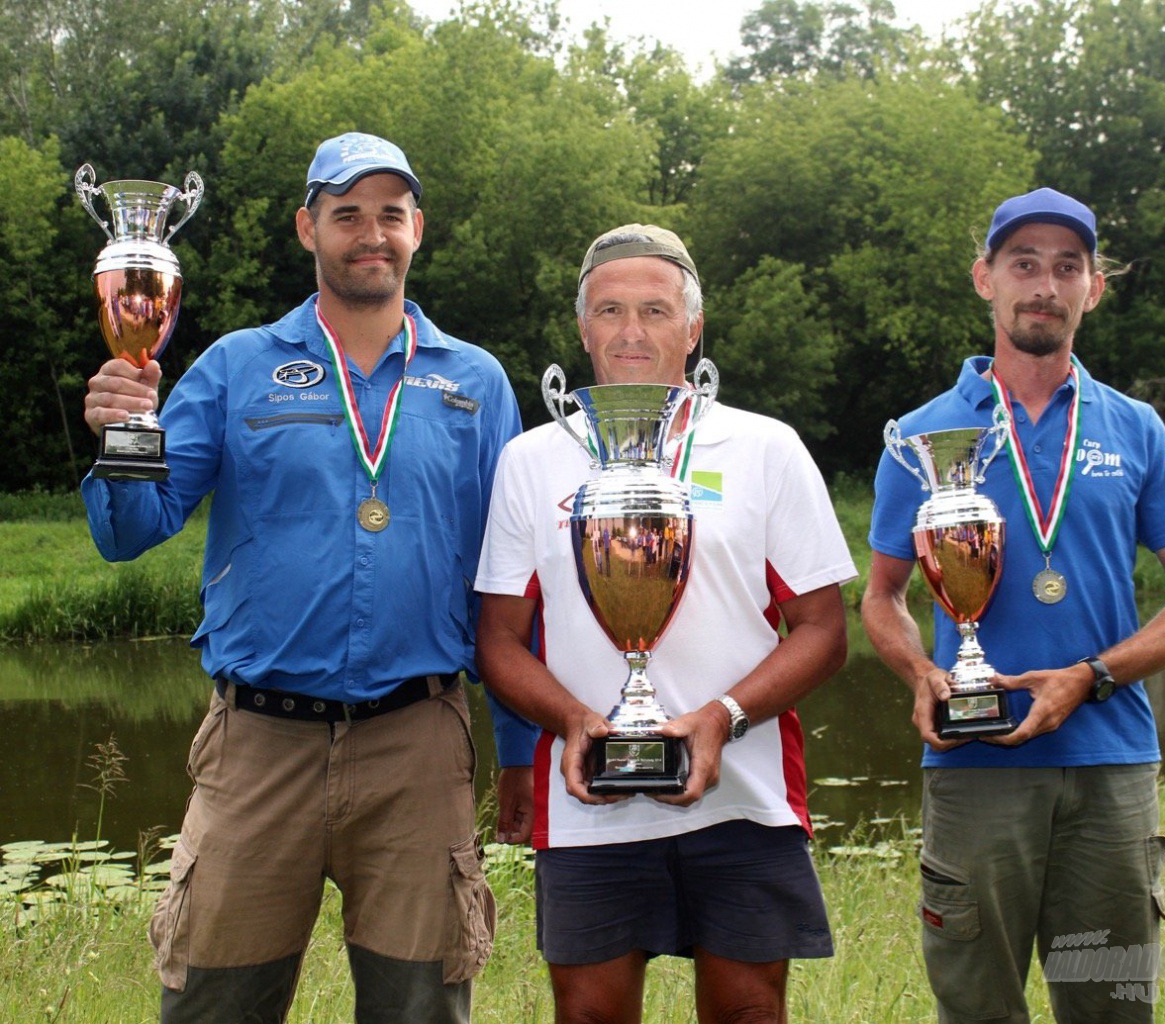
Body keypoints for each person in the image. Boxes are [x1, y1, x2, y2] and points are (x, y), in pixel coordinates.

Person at [80, 131, 539, 1024]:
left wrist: (518, 753)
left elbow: (506, 583)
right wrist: (123, 436)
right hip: (257, 745)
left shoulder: (475, 382)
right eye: (347, 215)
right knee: (215, 1008)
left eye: (390, 215)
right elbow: (130, 534)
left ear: (417, 230)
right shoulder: (234, 366)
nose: (371, 234)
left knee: (420, 1009)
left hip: (419, 743)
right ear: (307, 228)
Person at [862, 188, 1165, 1023]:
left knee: (1110, 1006)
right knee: (977, 1007)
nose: (1045, 285)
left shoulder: (1135, 427)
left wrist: (1091, 675)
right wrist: (922, 671)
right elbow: (880, 597)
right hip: (975, 765)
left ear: (1093, 288)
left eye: (1068, 267)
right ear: (984, 279)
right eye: (1023, 264)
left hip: (1111, 766)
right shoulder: (918, 436)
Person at [474, 224, 856, 1023]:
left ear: (693, 329)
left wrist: (723, 718)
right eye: (610, 311)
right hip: (589, 797)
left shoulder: (765, 448)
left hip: (744, 791)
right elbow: (499, 642)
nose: (632, 331)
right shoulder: (533, 458)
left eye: (655, 309)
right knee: (588, 1015)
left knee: (750, 1011)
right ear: (583, 330)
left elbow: (823, 628)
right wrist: (573, 721)